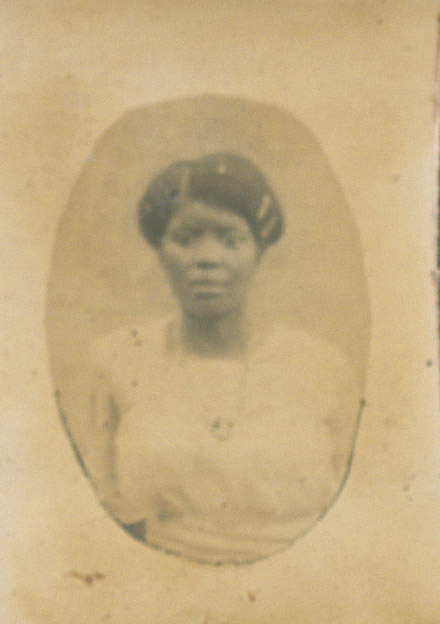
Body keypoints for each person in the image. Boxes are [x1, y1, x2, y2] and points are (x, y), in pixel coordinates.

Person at [89, 152, 361, 564]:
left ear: (259, 252)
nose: (207, 258)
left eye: (230, 240)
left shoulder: (322, 367)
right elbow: (102, 504)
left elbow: (355, 505)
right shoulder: (119, 360)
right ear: (160, 251)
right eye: (185, 239)